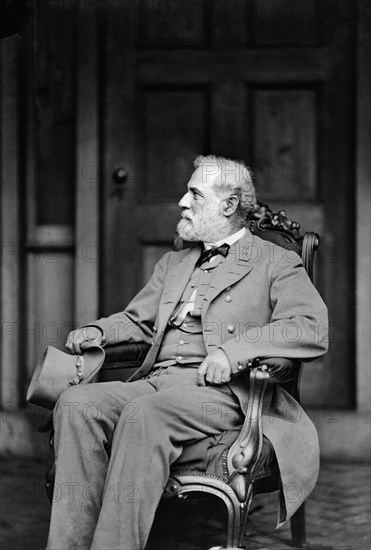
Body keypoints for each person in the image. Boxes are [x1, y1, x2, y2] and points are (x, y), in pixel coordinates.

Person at [46, 155, 328, 550]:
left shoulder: (276, 262)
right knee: (77, 403)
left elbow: (310, 328)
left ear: (228, 205)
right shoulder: (174, 262)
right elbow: (139, 321)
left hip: (222, 392)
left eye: (194, 193)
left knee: (142, 415)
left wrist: (233, 353)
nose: (182, 201)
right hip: (156, 381)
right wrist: (98, 331)